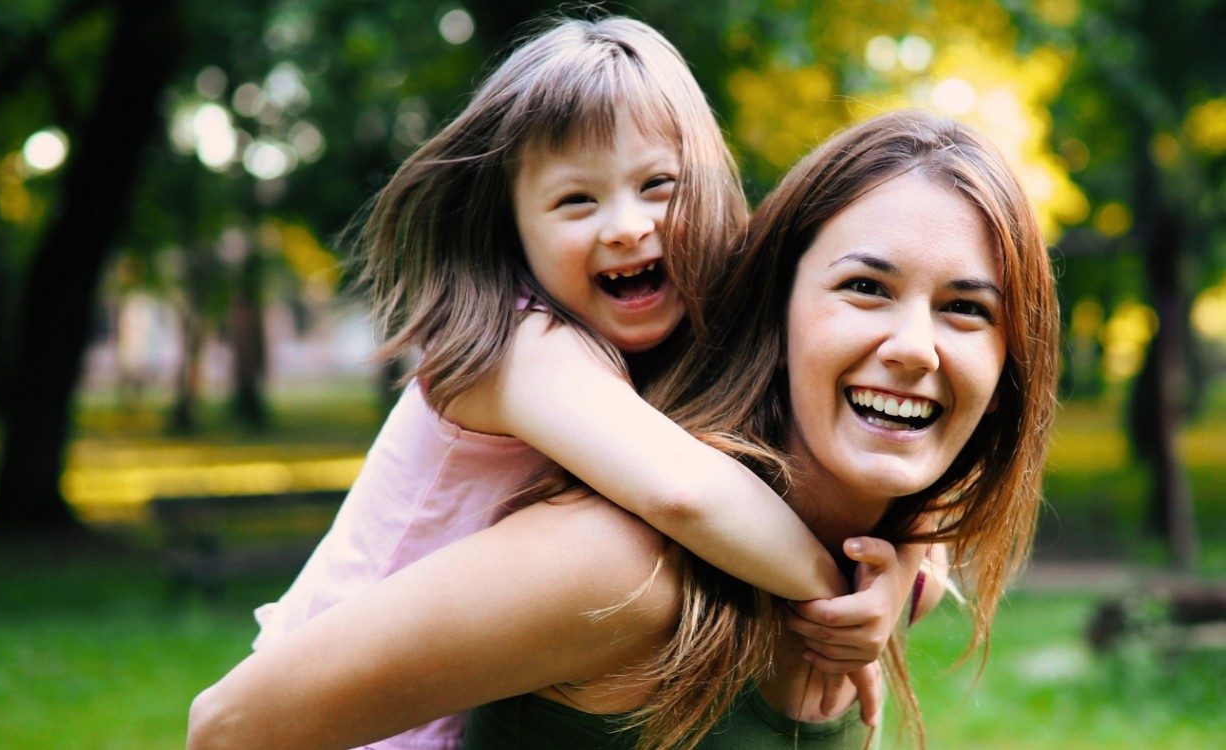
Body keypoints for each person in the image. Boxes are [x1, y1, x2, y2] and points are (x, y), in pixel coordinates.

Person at [187, 109, 1058, 750]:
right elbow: (227, 729)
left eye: (965, 309)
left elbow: (923, 555)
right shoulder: (624, 570)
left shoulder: (879, 571)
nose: (913, 347)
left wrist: (899, 560)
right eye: (865, 287)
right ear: (776, 303)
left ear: (1012, 364)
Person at [244, 16, 911, 749]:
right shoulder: (513, 344)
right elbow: (685, 493)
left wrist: (898, 571)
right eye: (576, 201)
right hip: (334, 722)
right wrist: (832, 602)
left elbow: (890, 482)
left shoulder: (678, 336)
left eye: (658, 185)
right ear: (514, 231)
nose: (626, 227)